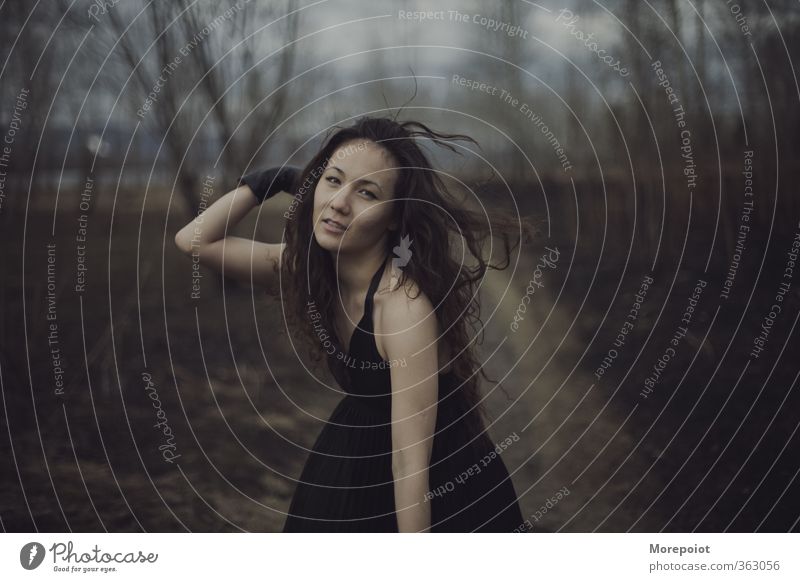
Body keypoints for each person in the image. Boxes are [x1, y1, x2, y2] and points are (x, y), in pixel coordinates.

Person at [175, 115, 535, 532]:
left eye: (366, 193)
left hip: (442, 480)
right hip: (356, 452)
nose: (339, 203)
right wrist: (265, 182)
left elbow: (409, 462)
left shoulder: (402, 307)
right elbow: (194, 240)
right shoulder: (305, 267)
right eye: (332, 181)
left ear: (395, 218)